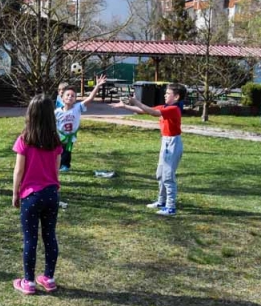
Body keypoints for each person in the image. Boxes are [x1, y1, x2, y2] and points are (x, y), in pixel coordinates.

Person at [12, 94, 64, 295]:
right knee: (50, 236)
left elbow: (18, 170)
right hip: (51, 194)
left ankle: (29, 281)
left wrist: (15, 193)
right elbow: (56, 168)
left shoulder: (25, 139)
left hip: (31, 196)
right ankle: (49, 278)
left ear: (30, 114)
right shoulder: (55, 140)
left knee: (30, 239)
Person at [113, 83, 187, 216]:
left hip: (172, 143)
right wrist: (125, 106)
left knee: (168, 176)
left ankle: (170, 207)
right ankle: (162, 201)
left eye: (168, 93)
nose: (165, 95)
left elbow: (153, 113)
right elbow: (144, 110)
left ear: (176, 97)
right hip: (166, 141)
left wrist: (136, 101)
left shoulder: (174, 109)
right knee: (160, 174)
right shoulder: (165, 107)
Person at [54, 74, 106, 171]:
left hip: (70, 136)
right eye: (68, 95)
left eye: (73, 96)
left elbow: (90, 98)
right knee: (58, 151)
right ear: (62, 97)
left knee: (67, 151)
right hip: (59, 136)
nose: (70, 97)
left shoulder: (78, 107)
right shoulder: (57, 112)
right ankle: (57, 165)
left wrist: (97, 86)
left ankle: (65, 165)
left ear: (75, 99)